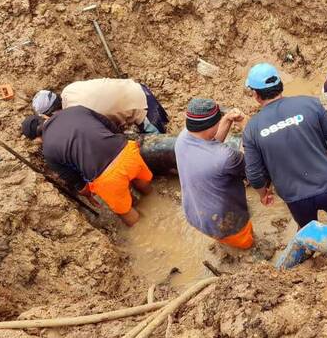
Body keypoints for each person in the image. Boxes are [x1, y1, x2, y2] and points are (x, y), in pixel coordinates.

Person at [243, 63, 327, 232]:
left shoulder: (251, 128)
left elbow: (254, 175)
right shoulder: (310, 104)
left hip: (295, 196)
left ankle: (308, 257)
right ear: (280, 85)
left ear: (256, 95)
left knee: (308, 232)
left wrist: (264, 194)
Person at [21, 106, 153, 226]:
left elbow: (74, 180)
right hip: (128, 152)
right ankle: (153, 199)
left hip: (108, 178)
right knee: (143, 183)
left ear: (37, 140)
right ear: (45, 117)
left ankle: (145, 231)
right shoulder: (76, 110)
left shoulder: (48, 151)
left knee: (126, 212)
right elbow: (108, 124)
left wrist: (88, 195)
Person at [175, 98, 253, 249]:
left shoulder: (183, 138)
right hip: (227, 223)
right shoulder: (225, 157)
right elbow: (252, 167)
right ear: (211, 126)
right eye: (218, 121)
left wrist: (227, 120)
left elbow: (212, 141)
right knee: (247, 243)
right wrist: (247, 129)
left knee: (223, 240)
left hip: (196, 215)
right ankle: (247, 249)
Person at [31, 78, 169, 134]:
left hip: (140, 106)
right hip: (136, 87)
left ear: (52, 113)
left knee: (160, 146)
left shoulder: (75, 114)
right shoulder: (69, 89)